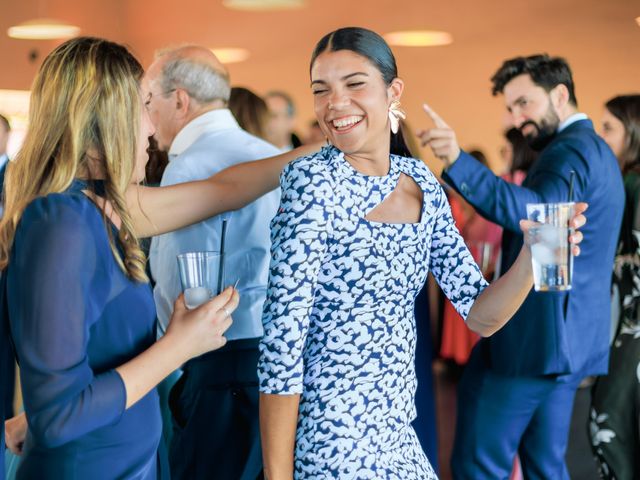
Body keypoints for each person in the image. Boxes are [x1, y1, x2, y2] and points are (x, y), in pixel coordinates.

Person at [258, 28, 586, 479]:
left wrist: (533, 257)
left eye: (355, 84)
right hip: (333, 440)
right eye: (321, 90)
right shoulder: (311, 182)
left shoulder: (422, 182)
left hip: (399, 435)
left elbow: (479, 313)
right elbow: (281, 345)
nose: (335, 103)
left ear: (393, 91)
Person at [0, 36, 315, 480]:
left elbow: (224, 191)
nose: (151, 128)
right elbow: (60, 416)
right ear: (103, 120)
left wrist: (324, 150)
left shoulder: (102, 205)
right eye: (142, 108)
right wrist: (180, 346)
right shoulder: (61, 221)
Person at [419, 54, 624, 479]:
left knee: (480, 464)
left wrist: (457, 160)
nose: (516, 118)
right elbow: (554, 238)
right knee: (545, 467)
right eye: (511, 108)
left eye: (524, 103)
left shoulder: (569, 152)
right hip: (567, 341)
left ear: (560, 94)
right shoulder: (592, 150)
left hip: (536, 340)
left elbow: (535, 215)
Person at [144, 45, 280, 480]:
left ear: (180, 101)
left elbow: (175, 291)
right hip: (272, 362)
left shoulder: (188, 167)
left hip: (218, 367)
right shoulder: (268, 152)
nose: (148, 119)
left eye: (150, 102)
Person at [589, 94, 640, 480]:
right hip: (624, 320)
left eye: (608, 127)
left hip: (630, 325)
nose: (599, 135)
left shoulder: (631, 184)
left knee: (611, 426)